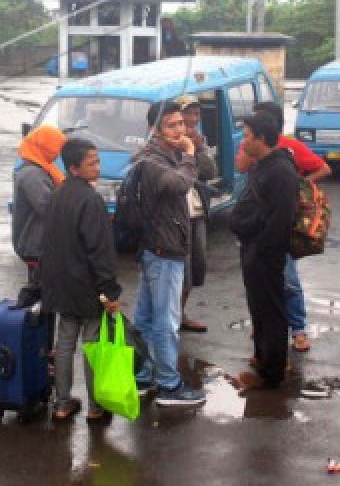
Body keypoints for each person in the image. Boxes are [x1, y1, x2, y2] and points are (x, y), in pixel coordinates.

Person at [236, 101, 331, 353]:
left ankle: (297, 330)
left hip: (273, 240)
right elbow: (241, 167)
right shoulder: (256, 152)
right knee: (263, 294)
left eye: (249, 133)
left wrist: (301, 185)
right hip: (257, 239)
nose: (245, 138)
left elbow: (323, 168)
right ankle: (264, 336)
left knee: (287, 283)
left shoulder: (287, 154)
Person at [40, 138, 122, 424]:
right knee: (91, 344)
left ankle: (62, 403)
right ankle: (95, 406)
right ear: (74, 168)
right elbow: (99, 250)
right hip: (86, 287)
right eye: (92, 163)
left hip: (60, 284)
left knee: (64, 343)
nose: (98, 168)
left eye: (98, 161)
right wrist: (109, 289)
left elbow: (47, 243)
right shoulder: (91, 200)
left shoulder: (57, 194)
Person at [131, 100, 205, 407]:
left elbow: (204, 172)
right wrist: (188, 154)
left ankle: (146, 374)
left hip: (157, 248)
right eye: (171, 125)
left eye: (182, 124)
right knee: (166, 321)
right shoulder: (151, 161)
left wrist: (192, 152)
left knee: (147, 318)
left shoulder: (163, 156)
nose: (180, 130)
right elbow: (178, 184)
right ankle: (168, 385)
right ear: (155, 130)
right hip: (163, 250)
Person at [229, 113, 298, 390]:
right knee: (258, 308)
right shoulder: (264, 165)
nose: (244, 141)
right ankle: (262, 356)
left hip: (265, 253)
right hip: (253, 249)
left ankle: (272, 372)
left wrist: (260, 247)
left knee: (271, 310)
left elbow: (280, 220)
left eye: (247, 135)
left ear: (261, 139)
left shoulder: (281, 171)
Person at [177, 94, 217, 334]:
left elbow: (210, 171)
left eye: (196, 114)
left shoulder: (198, 141)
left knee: (196, 265)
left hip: (197, 210)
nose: (193, 119)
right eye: (188, 113)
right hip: (177, 214)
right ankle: (171, 316)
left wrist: (199, 148)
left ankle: (180, 313)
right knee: (179, 268)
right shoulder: (170, 145)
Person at [11, 125, 67, 290]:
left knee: (44, 294)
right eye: (55, 148)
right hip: (35, 246)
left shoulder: (41, 168)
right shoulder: (33, 175)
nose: (57, 153)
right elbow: (47, 206)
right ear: (46, 147)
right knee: (41, 294)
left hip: (39, 244)